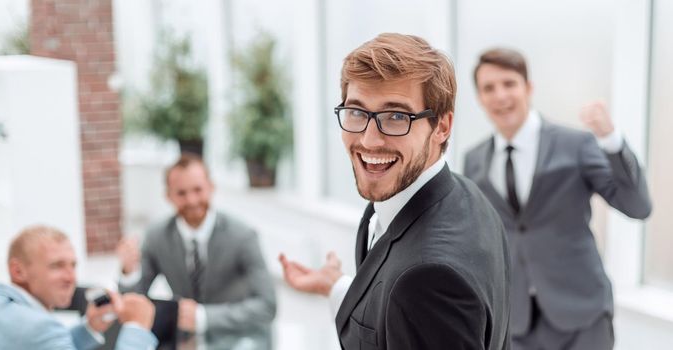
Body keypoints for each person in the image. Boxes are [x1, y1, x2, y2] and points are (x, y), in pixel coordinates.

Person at [279, 33, 510, 349]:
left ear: (442, 126)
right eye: (358, 112)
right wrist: (337, 287)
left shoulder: (428, 280)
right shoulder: (464, 196)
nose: (370, 140)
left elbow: (416, 296)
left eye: (397, 116)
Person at [463, 48, 652, 350]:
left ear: (528, 87)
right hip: (515, 322)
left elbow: (637, 206)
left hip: (582, 315)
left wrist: (610, 139)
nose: (500, 96)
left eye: (509, 84)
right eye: (489, 88)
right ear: (480, 98)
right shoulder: (474, 161)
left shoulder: (576, 144)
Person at [117, 154, 276, 349]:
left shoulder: (243, 236)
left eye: (198, 190)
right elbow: (135, 307)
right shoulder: (156, 236)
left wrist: (203, 316)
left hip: (238, 338)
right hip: (186, 341)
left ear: (211, 187)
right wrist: (129, 272)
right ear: (168, 196)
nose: (191, 200)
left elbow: (267, 305)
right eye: (181, 193)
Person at [0, 225, 157, 350]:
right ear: (18, 271)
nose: (71, 277)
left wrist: (89, 328)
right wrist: (136, 328)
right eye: (57, 266)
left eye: (73, 265)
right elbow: (43, 336)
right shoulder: (42, 327)